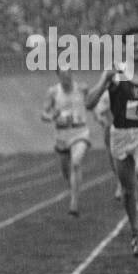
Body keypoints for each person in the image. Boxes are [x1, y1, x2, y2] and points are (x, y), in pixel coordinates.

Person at [85, 26, 138, 257]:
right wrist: (104, 81)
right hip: (120, 135)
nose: (137, 47)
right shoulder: (114, 73)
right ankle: (135, 231)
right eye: (132, 44)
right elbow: (89, 103)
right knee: (128, 190)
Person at [39, 71, 90, 216]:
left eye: (69, 73)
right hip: (62, 135)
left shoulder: (81, 88)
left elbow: (90, 103)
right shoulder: (53, 92)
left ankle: (74, 202)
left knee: (76, 163)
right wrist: (51, 117)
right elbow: (44, 114)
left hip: (80, 132)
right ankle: (73, 188)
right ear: (59, 76)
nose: (67, 77)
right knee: (66, 171)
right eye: (63, 75)